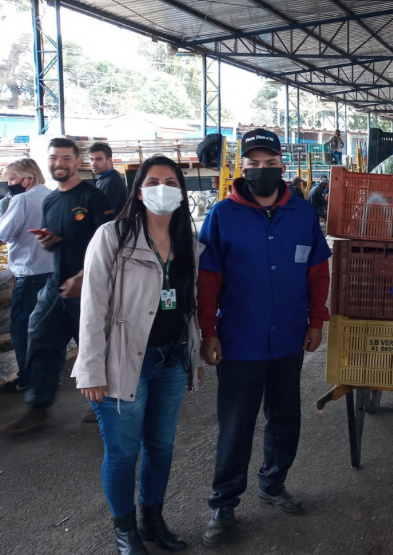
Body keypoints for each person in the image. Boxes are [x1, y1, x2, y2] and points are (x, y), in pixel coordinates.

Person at [197, 128, 331, 547]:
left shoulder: (302, 214)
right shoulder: (223, 215)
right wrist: (208, 330)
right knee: (236, 424)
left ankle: (273, 483)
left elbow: (318, 272)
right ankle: (224, 502)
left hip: (289, 337)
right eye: (253, 164)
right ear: (242, 167)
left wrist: (316, 321)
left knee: (285, 417)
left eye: (269, 163)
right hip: (240, 339)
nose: (262, 170)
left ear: (281, 166)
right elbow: (208, 279)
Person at [74, 155, 204, 555]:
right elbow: (92, 306)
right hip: (123, 362)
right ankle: (125, 531)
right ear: (139, 191)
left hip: (171, 360)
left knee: (161, 446)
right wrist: (91, 369)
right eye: (153, 182)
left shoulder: (187, 241)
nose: (162, 189)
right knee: (123, 452)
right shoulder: (112, 236)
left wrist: (194, 358)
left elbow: (190, 307)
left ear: (181, 192)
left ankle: (153, 518)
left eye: (171, 182)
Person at [1, 138, 115, 435]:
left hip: (89, 286)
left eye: (66, 158)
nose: (59, 163)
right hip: (57, 284)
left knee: (95, 346)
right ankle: (38, 408)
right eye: (54, 158)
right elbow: (61, 240)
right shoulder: (51, 200)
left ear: (77, 161)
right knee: (39, 336)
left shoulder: (93, 197)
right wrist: (49, 241)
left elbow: (110, 245)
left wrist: (84, 276)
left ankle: (107, 407)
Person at [0, 159, 55, 393]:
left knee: (22, 328)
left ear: (28, 179)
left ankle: (28, 377)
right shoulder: (52, 196)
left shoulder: (21, 200)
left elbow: (2, 234)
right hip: (52, 274)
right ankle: (48, 375)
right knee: (46, 329)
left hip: (30, 277)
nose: (9, 184)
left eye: (12, 179)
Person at [89, 142, 129, 216]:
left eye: (99, 159)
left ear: (110, 160)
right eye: (91, 159)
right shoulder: (105, 178)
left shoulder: (111, 183)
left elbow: (104, 214)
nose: (93, 163)